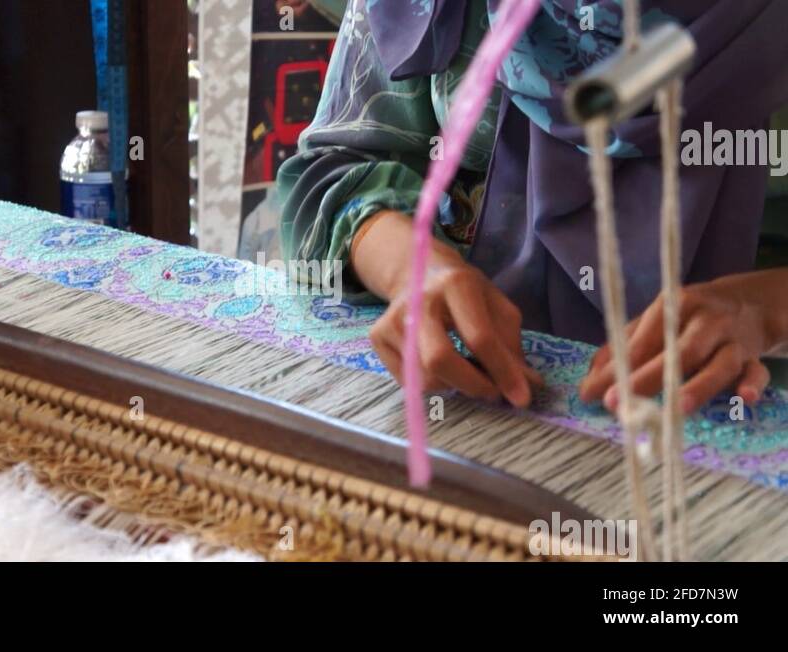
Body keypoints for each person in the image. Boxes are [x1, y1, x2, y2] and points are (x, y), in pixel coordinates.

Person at [277, 0, 788, 416]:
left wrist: (762, 309)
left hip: (742, 416)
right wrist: (412, 267)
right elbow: (332, 170)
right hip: (469, 392)